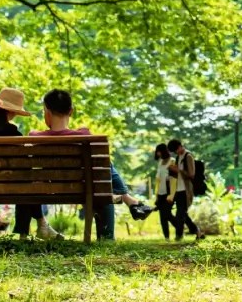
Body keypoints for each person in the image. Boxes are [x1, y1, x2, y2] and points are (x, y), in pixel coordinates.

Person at [30, 89, 152, 240]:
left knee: (103, 182)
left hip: (51, 190)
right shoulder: (84, 135)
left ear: (46, 112)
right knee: (103, 184)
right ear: (71, 111)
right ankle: (125, 204)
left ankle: (129, 200)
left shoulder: (36, 137)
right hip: (83, 189)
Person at [0, 88, 58, 241]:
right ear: (11, 112)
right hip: (12, 187)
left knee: (24, 182)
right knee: (26, 183)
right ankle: (28, 232)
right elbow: (25, 164)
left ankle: (41, 225)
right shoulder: (13, 133)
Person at [168, 138, 203, 241]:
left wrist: (179, 170)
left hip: (186, 190)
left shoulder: (188, 156)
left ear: (180, 146)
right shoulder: (178, 157)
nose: (176, 152)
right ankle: (197, 231)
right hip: (178, 189)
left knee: (180, 214)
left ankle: (178, 236)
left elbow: (191, 174)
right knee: (182, 214)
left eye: (176, 150)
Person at [154, 143, 176, 241]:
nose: (158, 154)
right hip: (160, 193)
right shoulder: (160, 162)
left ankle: (179, 228)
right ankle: (166, 237)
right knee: (162, 216)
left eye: (159, 151)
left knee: (167, 214)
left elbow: (174, 179)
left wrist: (172, 194)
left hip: (169, 192)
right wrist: (156, 195)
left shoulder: (172, 161)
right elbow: (158, 179)